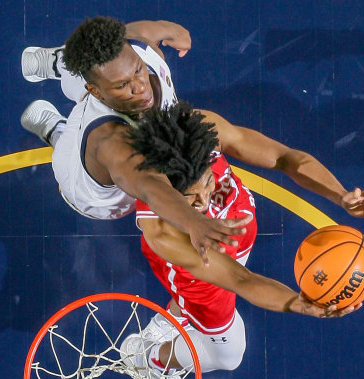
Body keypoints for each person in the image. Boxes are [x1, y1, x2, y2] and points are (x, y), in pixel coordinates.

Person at [120, 102, 364, 379]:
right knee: (229, 357)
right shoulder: (161, 231)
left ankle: (168, 321)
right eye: (191, 197)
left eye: (208, 183)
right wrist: (301, 305)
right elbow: (240, 280)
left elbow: (286, 158)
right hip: (196, 273)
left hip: (232, 241)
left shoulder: (200, 132)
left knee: (205, 291)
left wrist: (341, 195)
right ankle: (152, 360)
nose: (205, 200)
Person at [20, 17, 248, 265]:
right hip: (93, 189)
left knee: (100, 66)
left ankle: (60, 62)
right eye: (124, 85)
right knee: (68, 144)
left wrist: (174, 31)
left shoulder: (139, 50)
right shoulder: (111, 140)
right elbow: (150, 186)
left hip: (103, 96)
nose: (140, 87)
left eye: (138, 71)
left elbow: (141, 31)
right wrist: (192, 221)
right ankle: (55, 128)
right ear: (97, 92)